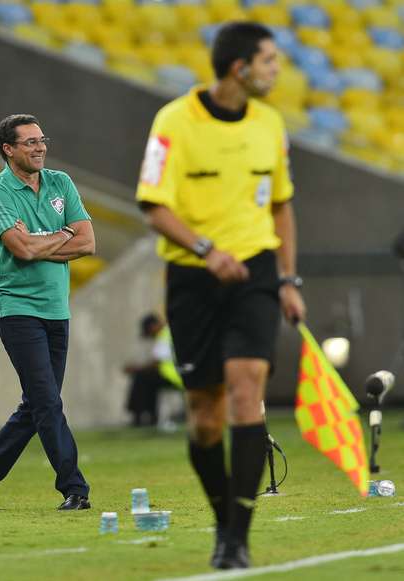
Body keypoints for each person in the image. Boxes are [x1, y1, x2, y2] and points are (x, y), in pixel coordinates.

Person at [136, 22, 306, 569]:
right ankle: (222, 524)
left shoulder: (271, 125)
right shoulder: (173, 122)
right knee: (205, 416)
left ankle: (238, 536)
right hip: (192, 278)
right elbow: (153, 205)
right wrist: (207, 250)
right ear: (240, 68)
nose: (276, 71)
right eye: (269, 62)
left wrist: (286, 279)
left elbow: (281, 204)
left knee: (245, 387)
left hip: (255, 272)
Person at [0, 114, 96, 511]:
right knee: (48, 402)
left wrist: (46, 240)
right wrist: (62, 234)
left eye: (41, 140)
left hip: (56, 307)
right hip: (17, 308)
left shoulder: (60, 183)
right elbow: (21, 251)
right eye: (30, 142)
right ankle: (74, 487)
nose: (40, 148)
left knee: (37, 404)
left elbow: (88, 243)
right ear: (9, 149)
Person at [123, 313, 182, 428]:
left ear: (153, 326)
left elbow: (156, 363)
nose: (150, 335)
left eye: (148, 331)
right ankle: (148, 415)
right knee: (146, 379)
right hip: (174, 376)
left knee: (142, 378)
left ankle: (140, 416)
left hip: (174, 377)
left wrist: (135, 369)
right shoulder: (167, 333)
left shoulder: (165, 335)